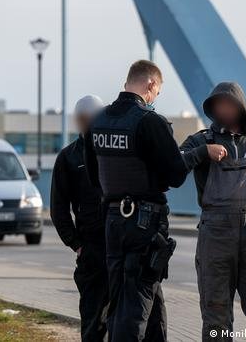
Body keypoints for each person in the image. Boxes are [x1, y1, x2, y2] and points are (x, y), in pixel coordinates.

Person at [84, 60, 190, 341]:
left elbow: (94, 177)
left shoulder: (98, 121)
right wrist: (198, 154)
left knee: (130, 297)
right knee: (137, 303)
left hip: (113, 220)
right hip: (145, 223)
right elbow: (176, 174)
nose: (156, 98)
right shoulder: (149, 121)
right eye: (158, 92)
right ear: (151, 84)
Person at [180, 82, 246, 341]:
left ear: (241, 106)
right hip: (215, 236)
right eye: (218, 104)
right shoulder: (200, 140)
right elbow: (173, 167)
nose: (224, 109)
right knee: (216, 312)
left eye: (229, 103)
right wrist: (201, 153)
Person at [50, 95, 108, 341]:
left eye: (90, 118)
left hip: (122, 241)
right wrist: (76, 243)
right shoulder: (69, 157)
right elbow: (58, 206)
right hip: (92, 249)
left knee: (130, 318)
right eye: (82, 119)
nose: (86, 124)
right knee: (93, 319)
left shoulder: (116, 150)